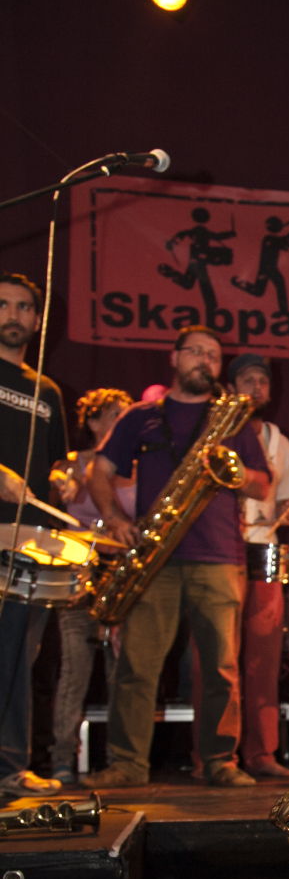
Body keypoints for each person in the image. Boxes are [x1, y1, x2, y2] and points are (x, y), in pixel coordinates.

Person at [87, 327, 271, 787]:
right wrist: (114, 519)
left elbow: (262, 484)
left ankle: (220, 762)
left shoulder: (233, 419)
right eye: (196, 352)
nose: (205, 361)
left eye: (213, 356)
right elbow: (99, 471)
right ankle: (127, 765)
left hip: (220, 556)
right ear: (174, 357)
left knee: (221, 668)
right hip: (156, 557)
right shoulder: (139, 417)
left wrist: (234, 472)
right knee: (137, 666)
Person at [0, 272, 69, 798]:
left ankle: (10, 766)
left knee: (18, 658)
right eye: (3, 304)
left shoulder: (47, 390)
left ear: (38, 320)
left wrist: (65, 478)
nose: (14, 315)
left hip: (29, 540)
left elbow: (56, 462)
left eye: (24, 307)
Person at [228, 352, 289, 780]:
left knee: (263, 659)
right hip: (221, 551)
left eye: (262, 380)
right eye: (247, 379)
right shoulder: (217, 434)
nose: (256, 387)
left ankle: (261, 753)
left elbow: (282, 507)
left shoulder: (281, 442)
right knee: (219, 659)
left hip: (263, 551)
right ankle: (218, 756)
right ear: (230, 388)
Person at [49, 387, 134, 785]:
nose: (124, 423)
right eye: (116, 415)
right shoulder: (73, 464)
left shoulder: (135, 467)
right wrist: (61, 485)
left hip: (123, 580)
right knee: (75, 672)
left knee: (124, 672)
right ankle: (61, 758)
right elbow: (56, 496)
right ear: (94, 421)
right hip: (81, 579)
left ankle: (119, 759)